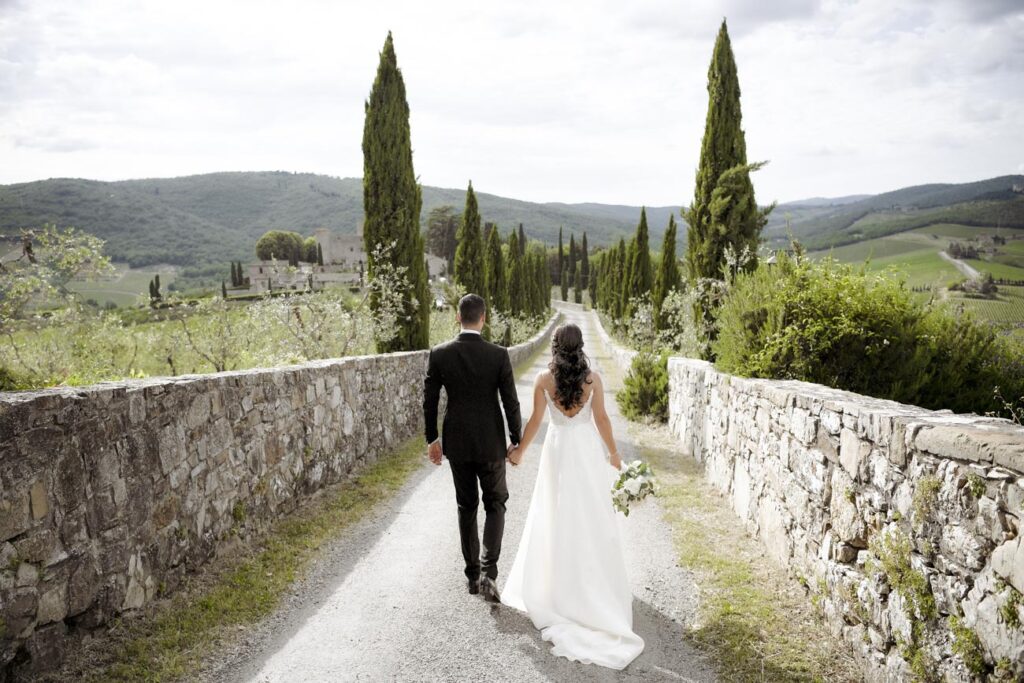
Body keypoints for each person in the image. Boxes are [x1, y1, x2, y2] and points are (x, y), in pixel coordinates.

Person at [502, 323, 644, 670]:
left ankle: (557, 588)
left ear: (555, 347)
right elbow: (602, 420)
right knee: (590, 516)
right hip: (585, 450)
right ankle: (592, 584)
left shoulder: (543, 380)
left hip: (557, 450)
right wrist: (613, 455)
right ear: (580, 347)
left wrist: (518, 452)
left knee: (555, 515)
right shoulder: (593, 380)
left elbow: (536, 421)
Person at [423, 293, 521, 602]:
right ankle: (489, 572)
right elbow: (510, 401)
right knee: (496, 503)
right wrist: (516, 440)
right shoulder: (498, 355)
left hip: (458, 443)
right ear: (484, 318)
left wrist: (432, 439)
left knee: (466, 506)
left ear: (457, 317)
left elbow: (429, 400)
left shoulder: (440, 354)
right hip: (491, 442)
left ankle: (472, 576)